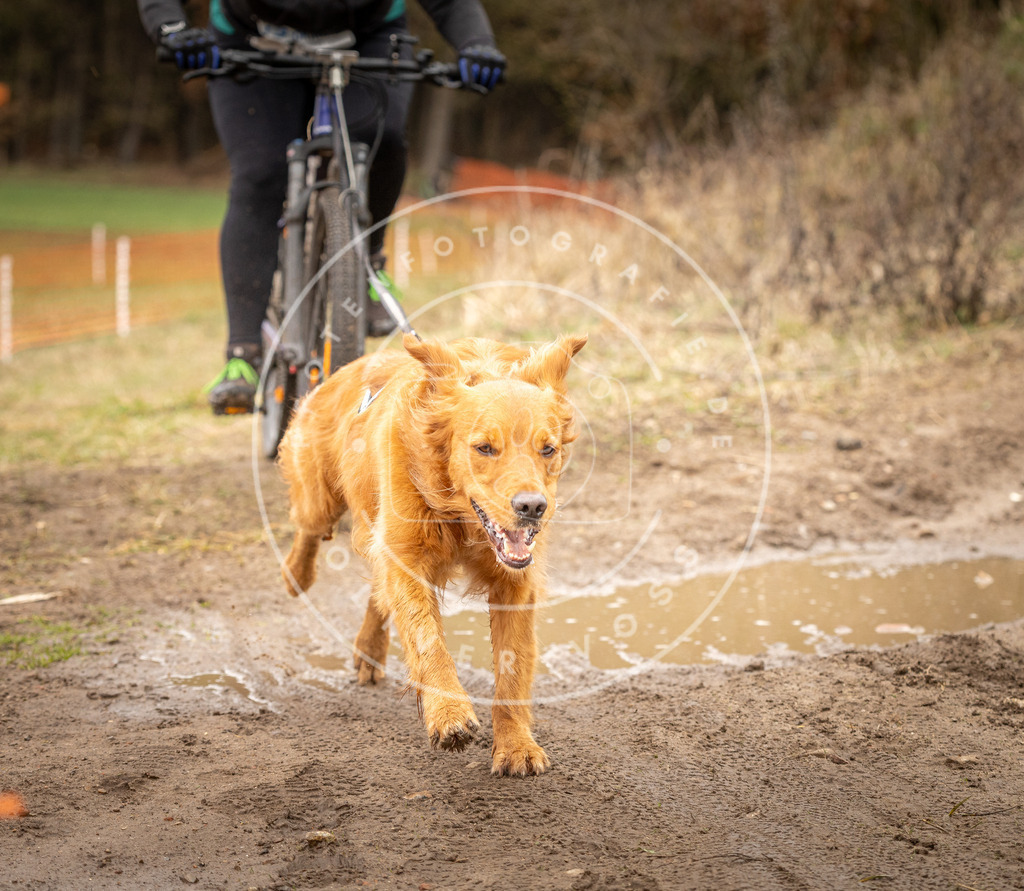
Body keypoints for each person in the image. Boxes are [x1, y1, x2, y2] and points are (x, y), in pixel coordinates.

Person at [137, 0, 505, 414]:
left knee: (381, 141)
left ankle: (369, 261)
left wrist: (476, 43)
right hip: (251, 39)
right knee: (260, 175)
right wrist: (171, 29)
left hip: (366, 37)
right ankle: (243, 354)